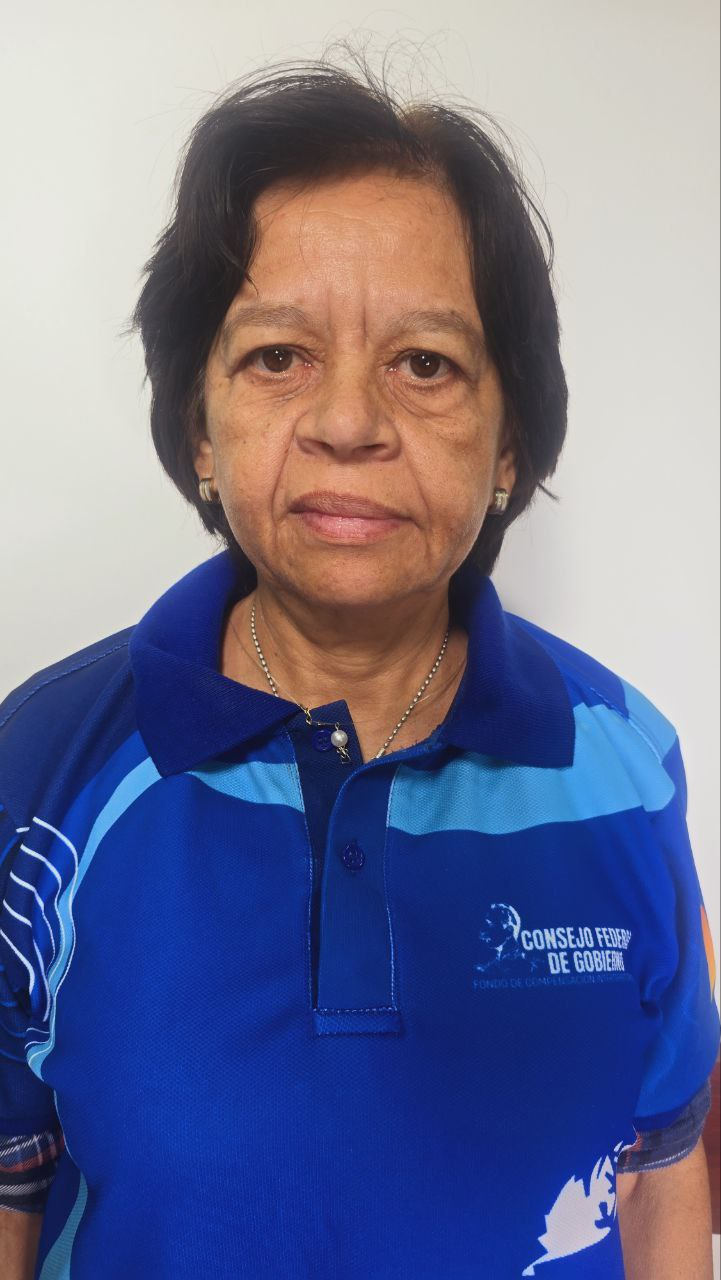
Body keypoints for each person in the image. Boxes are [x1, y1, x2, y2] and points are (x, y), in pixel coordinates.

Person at [0, 55, 718, 1280]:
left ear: (509, 443)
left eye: (424, 363)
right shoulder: (43, 762)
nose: (348, 422)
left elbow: (661, 1161)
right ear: (200, 427)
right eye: (278, 355)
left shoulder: (624, 761)